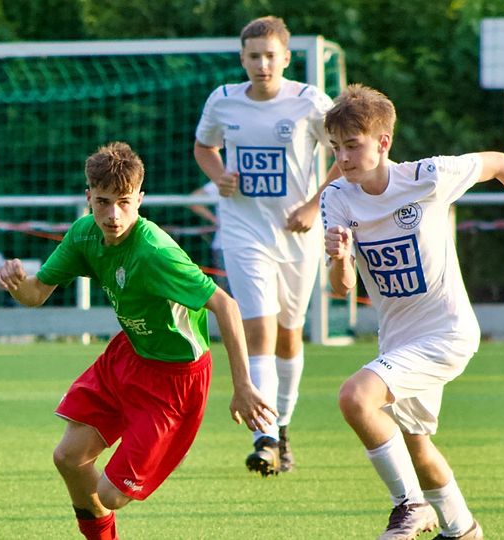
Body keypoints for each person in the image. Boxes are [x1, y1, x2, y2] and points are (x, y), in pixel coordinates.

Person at [321, 85, 504, 540]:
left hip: (447, 333)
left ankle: (410, 505)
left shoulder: (427, 177)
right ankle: (463, 529)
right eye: (335, 147)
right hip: (397, 339)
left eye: (352, 145)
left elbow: (500, 162)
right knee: (417, 448)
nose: (342, 157)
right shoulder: (337, 197)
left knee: (355, 398)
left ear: (383, 143)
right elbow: (342, 288)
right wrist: (340, 258)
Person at [0, 142, 275, 540]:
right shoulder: (84, 234)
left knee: (110, 495)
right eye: (103, 202)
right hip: (127, 356)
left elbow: (226, 305)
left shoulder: (156, 252)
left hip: (175, 380)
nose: (113, 215)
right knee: (69, 458)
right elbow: (36, 294)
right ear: (89, 197)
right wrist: (17, 284)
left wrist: (243, 386)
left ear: (140, 200)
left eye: (124, 202)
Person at [193, 15, 338, 475]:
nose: (262, 65)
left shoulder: (309, 102)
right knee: (259, 329)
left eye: (270, 56)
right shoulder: (223, 101)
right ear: (242, 58)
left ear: (286, 58)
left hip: (296, 234)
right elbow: (203, 147)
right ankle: (265, 437)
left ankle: (283, 427)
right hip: (244, 230)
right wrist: (220, 176)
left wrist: (314, 204)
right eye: (254, 56)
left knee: (290, 334)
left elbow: (346, 153)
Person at [188, 181, 229, 291]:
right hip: (224, 246)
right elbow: (193, 200)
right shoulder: (223, 180)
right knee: (226, 295)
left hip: (258, 245)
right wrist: (216, 220)